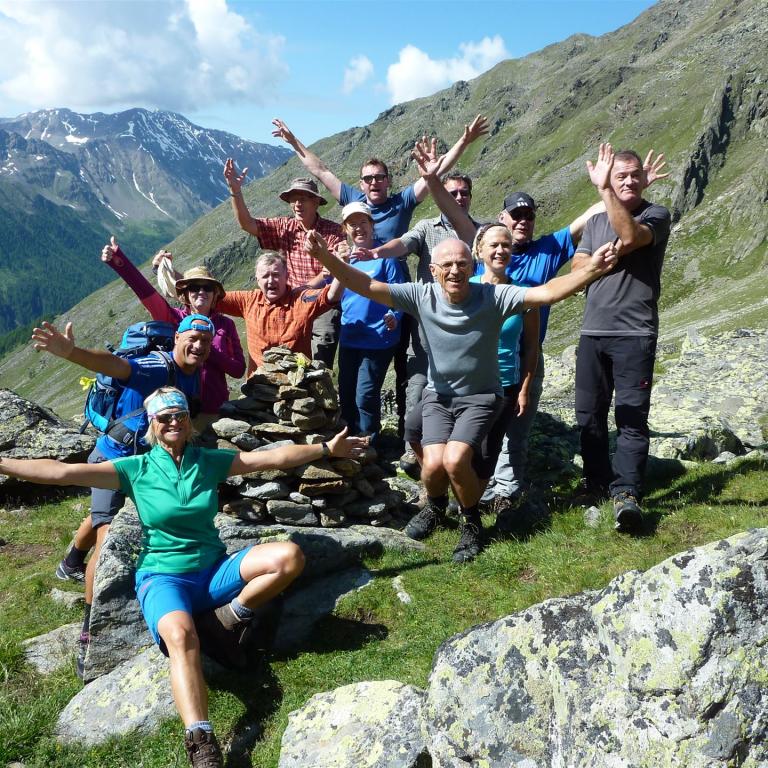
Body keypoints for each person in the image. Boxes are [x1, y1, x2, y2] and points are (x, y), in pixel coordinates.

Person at [0, 386, 369, 768]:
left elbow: (270, 458)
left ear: (189, 422)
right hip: (163, 578)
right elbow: (62, 472)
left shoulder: (206, 461)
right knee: (180, 636)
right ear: (152, 425)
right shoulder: (135, 469)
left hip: (212, 570)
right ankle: (201, 740)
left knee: (288, 556)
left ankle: (231, 616)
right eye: (164, 417)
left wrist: (327, 450)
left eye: (180, 415)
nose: (173, 422)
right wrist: (3, 464)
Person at [304, 229, 617, 563]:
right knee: (432, 465)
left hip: (482, 397)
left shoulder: (493, 297)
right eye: (447, 265)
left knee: (454, 460)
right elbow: (366, 285)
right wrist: (325, 258)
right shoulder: (421, 295)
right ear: (434, 270)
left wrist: (590, 270)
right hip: (438, 396)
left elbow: (545, 293)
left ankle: (471, 523)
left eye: (462, 263)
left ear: (472, 265)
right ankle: (437, 508)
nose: (455, 271)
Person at [428, 147, 668, 515]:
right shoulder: (487, 242)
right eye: (516, 216)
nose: (522, 222)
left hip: (553, 349)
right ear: (499, 223)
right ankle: (472, 493)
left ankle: (620, 493)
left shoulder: (553, 246)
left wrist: (617, 188)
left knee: (614, 418)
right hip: (487, 359)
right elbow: (582, 262)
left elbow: (611, 242)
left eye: (529, 215)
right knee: (571, 419)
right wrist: (431, 179)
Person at [272, 116, 489, 434]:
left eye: (379, 177)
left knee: (404, 367)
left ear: (388, 181)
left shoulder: (401, 203)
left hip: (397, 297)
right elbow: (319, 170)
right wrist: (293, 141)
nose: (374, 183)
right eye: (368, 178)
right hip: (360, 298)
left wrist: (464, 141)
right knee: (356, 377)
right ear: (360, 184)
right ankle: (356, 432)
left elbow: (435, 174)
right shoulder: (353, 203)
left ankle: (407, 433)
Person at [33, 314, 214, 678]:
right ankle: (90, 627)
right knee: (107, 536)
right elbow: (116, 365)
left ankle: (69, 562)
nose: (198, 346)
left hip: (143, 463)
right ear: (178, 337)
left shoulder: (191, 371)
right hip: (113, 461)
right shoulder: (153, 366)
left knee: (101, 517)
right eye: (192, 338)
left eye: (205, 342)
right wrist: (71, 352)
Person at [572, 143, 671, 531]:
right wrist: (593, 262)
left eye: (633, 175)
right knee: (588, 415)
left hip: (634, 334)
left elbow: (629, 236)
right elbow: (579, 262)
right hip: (593, 332)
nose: (628, 181)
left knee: (630, 417)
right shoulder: (596, 223)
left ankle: (626, 492)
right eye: (620, 176)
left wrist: (604, 191)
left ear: (644, 178)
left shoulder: (656, 214)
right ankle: (596, 483)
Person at [100, 236, 245, 419]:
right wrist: (120, 262)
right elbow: (147, 294)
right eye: (194, 288)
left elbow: (238, 369)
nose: (201, 292)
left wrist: (205, 349)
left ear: (215, 294)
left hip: (213, 411)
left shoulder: (226, 325)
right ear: (185, 294)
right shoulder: (174, 318)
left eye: (207, 287)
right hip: (174, 412)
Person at [223, 169, 346, 367]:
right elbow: (247, 224)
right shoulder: (283, 227)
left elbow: (331, 269)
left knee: (319, 365)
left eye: (304, 198)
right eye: (294, 199)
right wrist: (235, 191)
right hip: (290, 306)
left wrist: (303, 289)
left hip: (322, 303)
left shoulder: (332, 231)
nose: (298, 204)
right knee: (287, 361)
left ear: (316, 202)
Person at [335, 202, 405, 446]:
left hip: (378, 339)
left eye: (363, 222)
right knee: (345, 392)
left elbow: (401, 295)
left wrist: (394, 316)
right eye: (352, 224)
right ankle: (349, 440)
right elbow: (331, 294)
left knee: (365, 393)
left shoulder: (384, 257)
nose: (359, 228)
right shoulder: (342, 259)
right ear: (345, 228)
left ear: (372, 225)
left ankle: (368, 443)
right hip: (349, 336)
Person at [212, 251, 343, 376]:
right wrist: (196, 286)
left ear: (286, 276)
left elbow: (331, 296)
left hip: (297, 386)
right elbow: (211, 299)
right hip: (258, 385)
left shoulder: (301, 299)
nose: (270, 281)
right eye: (265, 276)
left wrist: (342, 264)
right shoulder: (248, 300)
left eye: (276, 274)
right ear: (257, 279)